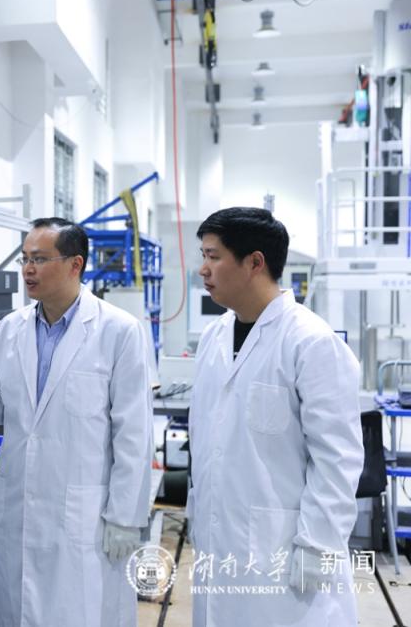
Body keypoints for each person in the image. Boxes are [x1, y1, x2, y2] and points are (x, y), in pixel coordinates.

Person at [0, 218, 153, 627]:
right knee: (22, 609)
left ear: (75, 264)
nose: (28, 270)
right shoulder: (10, 330)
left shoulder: (118, 331)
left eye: (40, 259)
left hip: (85, 512)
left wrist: (126, 517)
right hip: (21, 503)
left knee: (80, 612)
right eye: (25, 259)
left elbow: (133, 434)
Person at [189, 207, 364, 626]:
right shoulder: (214, 337)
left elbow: (337, 459)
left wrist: (318, 546)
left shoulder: (311, 342)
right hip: (221, 542)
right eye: (203, 256)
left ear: (255, 262)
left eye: (213, 256)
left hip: (287, 553)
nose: (203, 269)